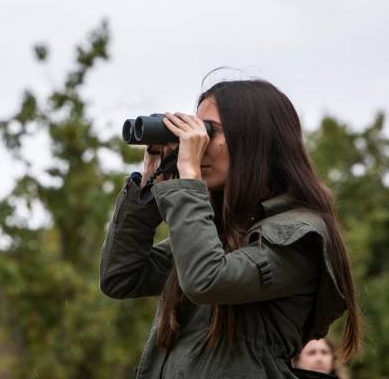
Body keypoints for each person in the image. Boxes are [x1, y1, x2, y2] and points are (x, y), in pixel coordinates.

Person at [99, 77, 362, 378]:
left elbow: (206, 281)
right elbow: (121, 277)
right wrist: (149, 184)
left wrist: (188, 181)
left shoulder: (298, 235)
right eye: (194, 131)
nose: (198, 144)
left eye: (209, 132)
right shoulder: (215, 233)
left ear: (255, 141)